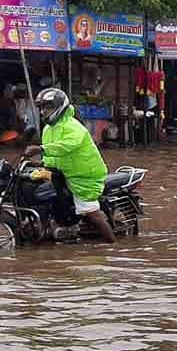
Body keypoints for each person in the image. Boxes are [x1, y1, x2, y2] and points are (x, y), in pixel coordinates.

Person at [24, 88, 114, 243]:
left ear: (59, 106)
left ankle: (112, 245)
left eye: (48, 107)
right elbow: (53, 155)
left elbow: (67, 146)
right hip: (65, 173)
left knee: (92, 213)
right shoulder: (48, 129)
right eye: (41, 107)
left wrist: (41, 149)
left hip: (84, 176)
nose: (43, 111)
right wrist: (40, 163)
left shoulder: (73, 126)